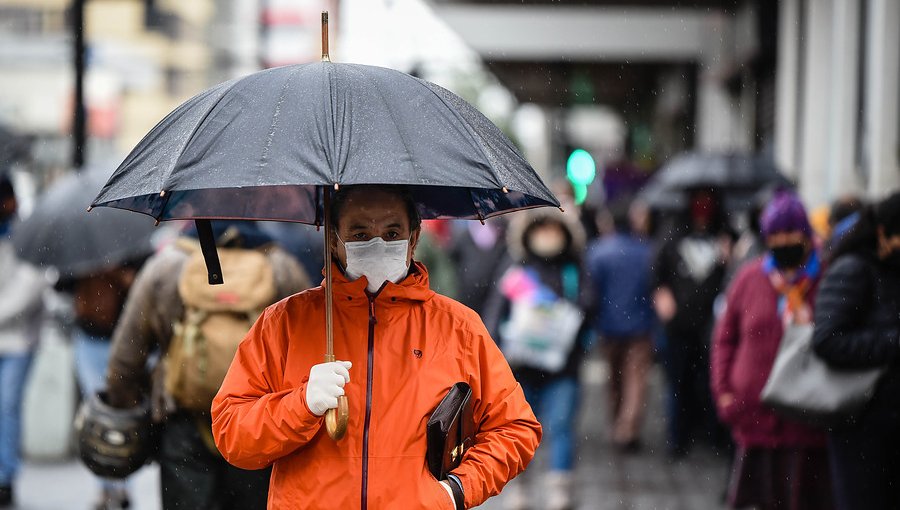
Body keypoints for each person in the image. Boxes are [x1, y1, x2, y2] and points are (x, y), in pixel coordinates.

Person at [212, 185, 542, 509]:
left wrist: (456, 490)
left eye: (392, 231)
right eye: (358, 233)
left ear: (413, 238)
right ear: (333, 239)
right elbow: (232, 434)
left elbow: (515, 428)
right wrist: (300, 405)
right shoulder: (284, 322)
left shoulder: (458, 328)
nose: (377, 243)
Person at [105, 221, 309, 510]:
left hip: (184, 424)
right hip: (257, 426)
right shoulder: (281, 267)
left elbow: (125, 360)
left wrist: (132, 412)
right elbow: (306, 353)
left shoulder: (165, 268)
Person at [711, 191, 834, 510]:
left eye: (790, 233)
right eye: (775, 235)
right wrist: (724, 391)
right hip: (754, 419)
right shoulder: (750, 277)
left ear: (806, 235)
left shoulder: (827, 278)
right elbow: (724, 338)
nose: (783, 241)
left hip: (806, 423)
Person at [482, 208, 591, 510]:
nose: (547, 236)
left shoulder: (574, 269)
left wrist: (558, 319)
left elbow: (588, 307)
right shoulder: (516, 267)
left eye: (554, 229)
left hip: (563, 368)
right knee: (519, 430)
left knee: (561, 426)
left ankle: (561, 491)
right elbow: (495, 311)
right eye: (541, 229)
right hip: (521, 369)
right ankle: (520, 489)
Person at [812, 192, 900, 510]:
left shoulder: (890, 270)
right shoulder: (852, 269)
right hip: (860, 423)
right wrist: (892, 342)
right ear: (884, 232)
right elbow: (827, 340)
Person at [651, 187, 732, 457]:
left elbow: (731, 278)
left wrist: (729, 256)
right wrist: (662, 297)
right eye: (698, 202)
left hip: (712, 326)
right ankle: (678, 438)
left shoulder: (724, 237)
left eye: (708, 202)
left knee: (709, 382)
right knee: (677, 384)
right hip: (678, 325)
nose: (703, 208)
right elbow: (656, 272)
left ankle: (712, 436)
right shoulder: (673, 235)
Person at [587, 200, 655, 452]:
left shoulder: (597, 251)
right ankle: (628, 429)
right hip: (640, 325)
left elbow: (592, 292)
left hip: (608, 327)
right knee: (636, 379)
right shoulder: (646, 250)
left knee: (614, 378)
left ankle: (617, 423)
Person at [0, 175, 45, 507]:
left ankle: (5, 476)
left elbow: (30, 286)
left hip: (18, 341)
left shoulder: (26, 235)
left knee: (7, 405)